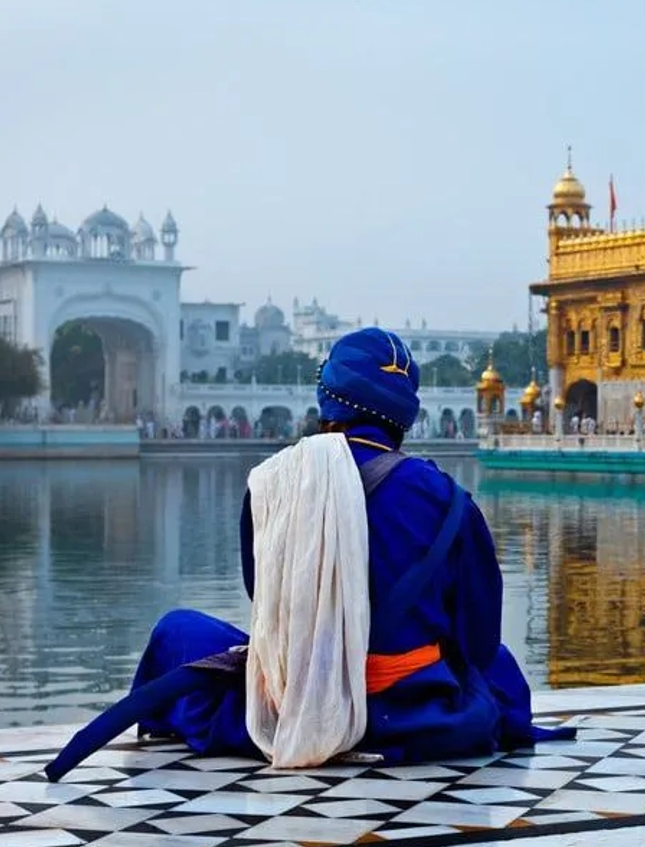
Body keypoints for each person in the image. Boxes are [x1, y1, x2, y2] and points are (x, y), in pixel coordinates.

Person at [45, 327, 570, 780]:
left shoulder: (274, 481)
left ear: (329, 399)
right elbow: (478, 637)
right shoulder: (449, 499)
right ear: (405, 413)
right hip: (412, 711)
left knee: (178, 631)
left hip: (295, 698)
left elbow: (266, 604)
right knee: (497, 664)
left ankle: (279, 721)